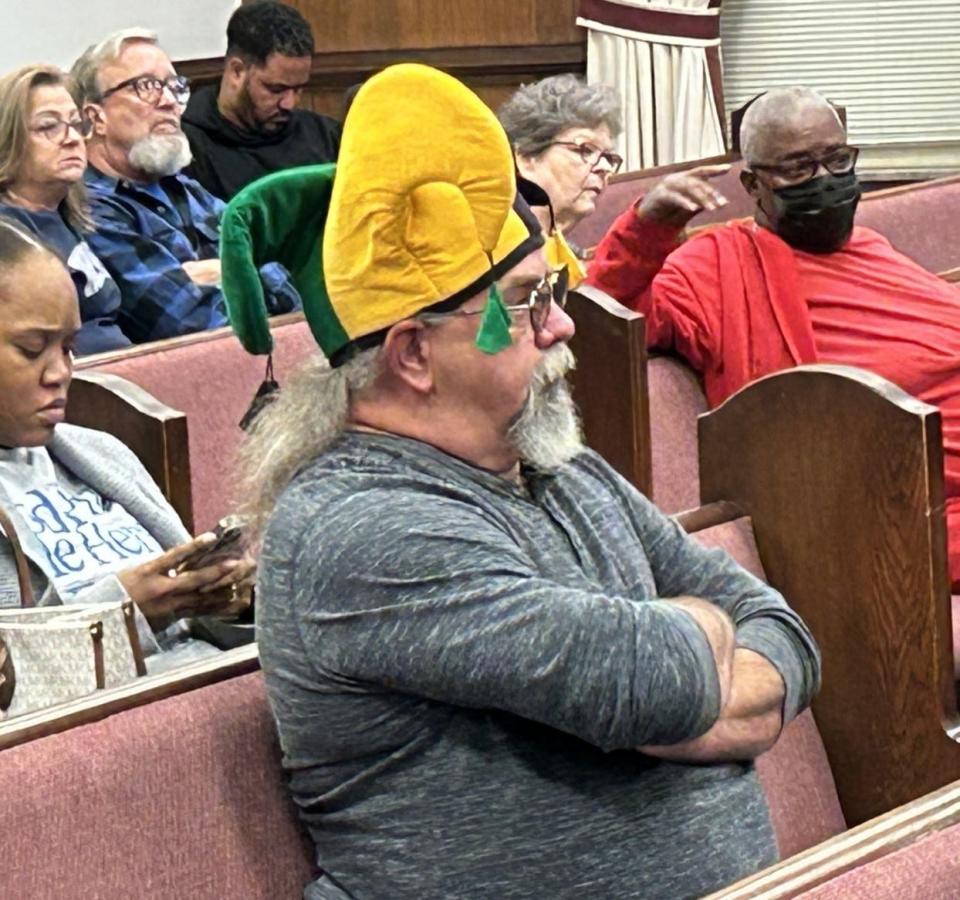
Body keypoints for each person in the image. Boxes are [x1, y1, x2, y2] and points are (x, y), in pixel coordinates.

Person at [223, 64, 820, 899]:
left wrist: (689, 667)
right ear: (414, 353)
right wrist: (690, 641)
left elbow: (783, 626)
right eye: (528, 301)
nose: (564, 322)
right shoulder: (359, 527)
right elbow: (662, 679)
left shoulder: (554, 460)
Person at [586, 86, 960, 594]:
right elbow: (608, 323)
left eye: (837, 160)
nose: (825, 180)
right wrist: (646, 228)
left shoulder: (873, 247)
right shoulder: (716, 265)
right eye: (798, 169)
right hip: (899, 508)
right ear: (753, 184)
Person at [0, 216, 252, 673]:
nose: (60, 374)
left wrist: (229, 600)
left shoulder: (100, 452)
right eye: (33, 349)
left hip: (201, 689)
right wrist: (125, 613)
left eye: (69, 347)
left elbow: (202, 631)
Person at [69, 28, 301, 345]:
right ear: (96, 117)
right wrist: (239, 271)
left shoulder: (187, 189)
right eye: (146, 87)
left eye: (174, 87)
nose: (168, 102)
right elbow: (194, 323)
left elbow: (295, 287)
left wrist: (220, 271)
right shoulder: (90, 207)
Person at [0, 64, 129, 356]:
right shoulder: (7, 237)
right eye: (48, 126)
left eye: (75, 124)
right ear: (8, 140)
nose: (71, 138)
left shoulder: (69, 213)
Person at [183, 0, 340, 201]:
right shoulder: (187, 150)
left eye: (299, 88)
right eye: (276, 89)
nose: (290, 104)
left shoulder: (326, 137)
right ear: (237, 71)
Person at [498, 73, 622, 242]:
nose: (605, 167)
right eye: (585, 150)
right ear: (526, 158)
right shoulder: (486, 249)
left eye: (608, 157)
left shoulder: (572, 256)